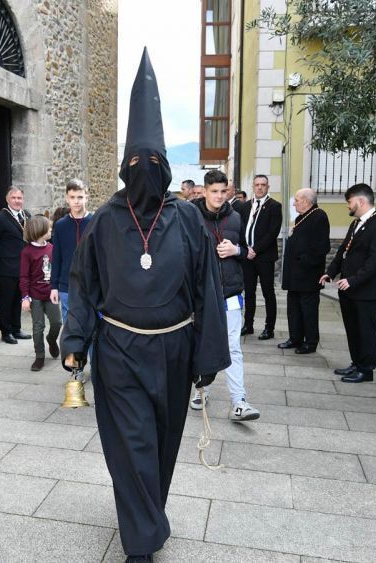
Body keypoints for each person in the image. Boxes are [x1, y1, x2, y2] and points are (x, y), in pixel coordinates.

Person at [61, 49, 230, 563]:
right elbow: (83, 285)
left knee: (161, 443)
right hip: (118, 351)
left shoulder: (187, 220)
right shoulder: (104, 221)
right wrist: (74, 341)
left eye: (153, 163)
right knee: (131, 444)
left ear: (166, 166)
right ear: (123, 167)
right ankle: (140, 543)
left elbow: (207, 290)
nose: (144, 171)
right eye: (135, 162)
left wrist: (206, 358)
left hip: (174, 349)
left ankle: (148, 514)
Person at [190, 169, 260, 421]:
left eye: (223, 191)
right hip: (200, 295)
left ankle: (239, 401)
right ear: (205, 191)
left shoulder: (236, 217)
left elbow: (248, 251)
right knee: (201, 345)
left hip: (230, 292)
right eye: (214, 191)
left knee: (233, 348)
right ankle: (201, 391)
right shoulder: (191, 215)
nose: (219, 196)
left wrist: (235, 250)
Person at [320, 183, 376, 384]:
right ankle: (356, 363)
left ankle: (366, 369)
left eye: (349, 201)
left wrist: (353, 280)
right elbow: (343, 251)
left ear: (361, 201)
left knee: (366, 331)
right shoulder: (356, 224)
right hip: (349, 289)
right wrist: (330, 272)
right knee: (353, 330)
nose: (347, 205)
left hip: (368, 291)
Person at [278, 188, 330, 354]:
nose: (294, 204)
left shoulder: (319, 216)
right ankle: (295, 338)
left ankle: (310, 342)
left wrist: (302, 261)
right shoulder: (301, 217)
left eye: (297, 200)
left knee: (308, 311)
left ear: (307, 201)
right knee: (293, 309)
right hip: (295, 275)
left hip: (307, 275)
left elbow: (321, 247)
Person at [239, 174, 282, 340]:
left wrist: (255, 249)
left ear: (267, 187)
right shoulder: (245, 206)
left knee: (268, 292)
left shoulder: (274, 206)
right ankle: (248, 324)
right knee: (249, 292)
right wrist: (245, 249)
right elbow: (241, 229)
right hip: (247, 257)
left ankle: (269, 328)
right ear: (253, 186)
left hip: (264, 257)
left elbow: (272, 233)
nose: (259, 187)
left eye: (263, 185)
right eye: (257, 184)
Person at [0, 187, 31, 344]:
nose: (17, 201)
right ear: (7, 200)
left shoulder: (26, 216)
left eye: (19, 198)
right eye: (13, 198)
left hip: (23, 267)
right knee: (6, 301)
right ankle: (6, 332)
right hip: (6, 267)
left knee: (17, 300)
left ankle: (16, 328)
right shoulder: (0, 218)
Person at [20, 215, 62, 371]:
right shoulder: (27, 252)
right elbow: (24, 277)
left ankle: (51, 339)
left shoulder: (52, 248)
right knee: (38, 327)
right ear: (40, 230)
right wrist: (25, 297)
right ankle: (39, 356)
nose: (51, 230)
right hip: (35, 296)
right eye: (49, 228)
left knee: (57, 322)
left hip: (51, 294)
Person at [50, 179, 92, 322]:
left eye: (80, 197)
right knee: (69, 327)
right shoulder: (60, 225)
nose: (76, 201)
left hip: (90, 285)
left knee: (90, 326)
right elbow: (56, 257)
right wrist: (54, 286)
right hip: (66, 285)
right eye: (72, 197)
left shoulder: (95, 222)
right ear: (67, 198)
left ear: (87, 197)